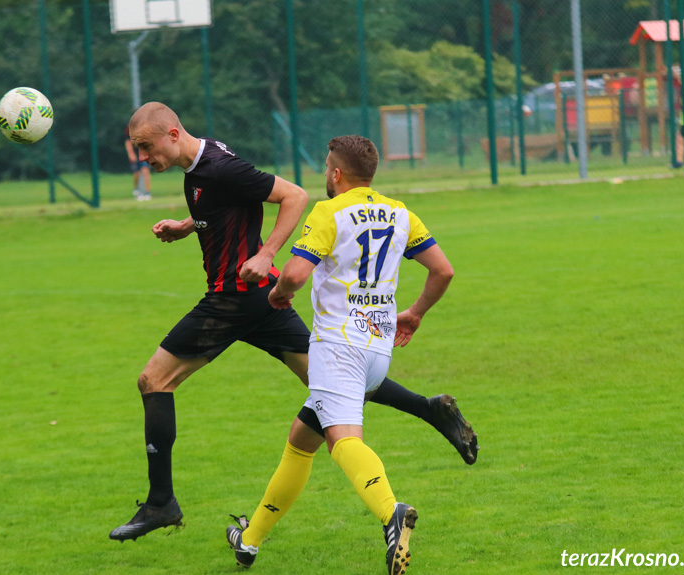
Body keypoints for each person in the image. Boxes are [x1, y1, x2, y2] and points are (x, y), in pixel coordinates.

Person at [108, 103, 477, 543]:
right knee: (330, 384)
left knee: (154, 380)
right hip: (263, 302)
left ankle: (161, 503)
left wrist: (266, 256)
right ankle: (429, 408)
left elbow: (295, 196)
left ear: (171, 134)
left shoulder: (219, 165)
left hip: (234, 297)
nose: (143, 158)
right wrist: (190, 225)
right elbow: (230, 202)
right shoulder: (203, 165)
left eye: (146, 148)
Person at [224, 135, 455, 575]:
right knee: (300, 440)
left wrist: (277, 294)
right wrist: (415, 313)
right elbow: (443, 270)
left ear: (335, 173)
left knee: (344, 440)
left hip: (337, 347)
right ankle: (249, 540)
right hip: (378, 348)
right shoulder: (401, 213)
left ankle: (392, 512)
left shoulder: (330, 211)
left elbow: (294, 274)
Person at [125, 126, 152, 201]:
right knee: (137, 174)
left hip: (143, 153)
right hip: (135, 154)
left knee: (145, 171)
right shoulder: (130, 127)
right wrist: (131, 154)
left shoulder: (145, 126)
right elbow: (128, 141)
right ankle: (137, 190)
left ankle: (147, 192)